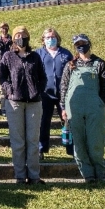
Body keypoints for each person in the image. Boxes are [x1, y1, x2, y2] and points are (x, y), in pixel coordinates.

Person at [60, 34, 105, 183]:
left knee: (96, 142)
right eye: (78, 44)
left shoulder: (100, 63)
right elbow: (63, 87)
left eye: (83, 43)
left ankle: (99, 173)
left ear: (89, 44)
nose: (81, 46)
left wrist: (100, 103)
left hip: (94, 108)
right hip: (73, 109)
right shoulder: (70, 65)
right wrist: (63, 107)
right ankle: (88, 174)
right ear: (75, 47)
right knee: (79, 143)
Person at [0, 26, 47, 184]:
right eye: (17, 35)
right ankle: (20, 175)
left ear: (28, 37)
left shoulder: (35, 57)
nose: (21, 37)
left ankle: (34, 176)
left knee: (32, 140)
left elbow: (43, 77)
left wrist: (38, 91)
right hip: (15, 103)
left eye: (23, 34)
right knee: (17, 141)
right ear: (13, 38)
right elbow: (3, 78)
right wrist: (10, 91)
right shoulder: (7, 56)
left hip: (34, 103)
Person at [36, 28, 73, 159]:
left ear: (57, 38)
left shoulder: (66, 54)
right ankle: (41, 148)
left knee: (67, 121)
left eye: (53, 37)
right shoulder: (38, 53)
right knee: (43, 122)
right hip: (45, 94)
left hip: (63, 94)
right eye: (47, 37)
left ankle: (71, 148)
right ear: (43, 40)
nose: (50, 39)